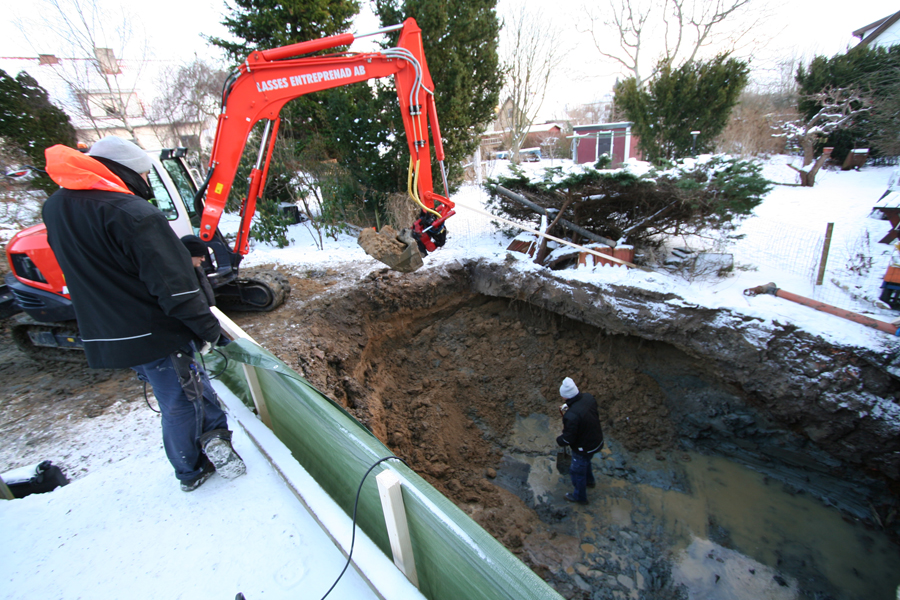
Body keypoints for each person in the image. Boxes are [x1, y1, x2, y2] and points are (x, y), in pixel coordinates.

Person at [42, 136, 246, 492]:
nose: (146, 183)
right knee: (181, 398)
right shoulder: (132, 214)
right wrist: (211, 331)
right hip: (151, 329)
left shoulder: (58, 206)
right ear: (124, 171)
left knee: (189, 383)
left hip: (108, 325)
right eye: (143, 174)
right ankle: (192, 469)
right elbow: (177, 290)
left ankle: (215, 436)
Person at [556, 377, 604, 505]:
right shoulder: (588, 398)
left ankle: (579, 497)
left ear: (566, 396)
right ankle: (590, 481)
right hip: (596, 440)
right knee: (586, 463)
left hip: (583, 447)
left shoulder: (571, 416)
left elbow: (568, 437)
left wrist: (560, 440)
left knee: (577, 471)